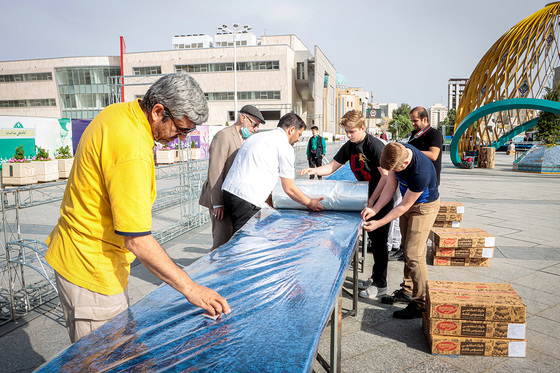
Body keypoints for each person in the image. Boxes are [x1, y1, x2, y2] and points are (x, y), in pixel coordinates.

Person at [45, 73, 231, 343]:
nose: (180, 138)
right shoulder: (131, 148)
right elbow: (137, 240)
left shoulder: (120, 113)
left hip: (83, 254)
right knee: (104, 359)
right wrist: (192, 289)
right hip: (91, 269)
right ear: (158, 111)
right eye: (181, 129)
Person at [300, 110, 394, 299]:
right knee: (371, 240)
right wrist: (314, 169)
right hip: (365, 197)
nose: (349, 135)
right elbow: (332, 166)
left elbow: (385, 177)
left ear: (362, 128)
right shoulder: (349, 146)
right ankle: (375, 278)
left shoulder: (374, 146)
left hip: (380, 198)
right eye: (346, 131)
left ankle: (380, 284)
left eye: (352, 131)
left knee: (379, 242)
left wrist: (373, 201)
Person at [362, 142, 440, 319]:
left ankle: (421, 304)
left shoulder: (421, 172)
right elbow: (390, 186)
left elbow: (404, 206)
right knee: (406, 247)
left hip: (423, 207)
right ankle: (407, 291)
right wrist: (374, 209)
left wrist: (379, 222)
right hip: (409, 202)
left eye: (395, 169)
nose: (393, 172)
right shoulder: (396, 151)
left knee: (415, 254)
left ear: (404, 164)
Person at [222, 112, 324, 233]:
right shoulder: (285, 146)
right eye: (299, 134)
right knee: (246, 244)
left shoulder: (257, 137)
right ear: (291, 130)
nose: (298, 139)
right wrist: (309, 202)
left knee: (247, 234)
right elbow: (289, 188)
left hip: (229, 192)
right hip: (247, 199)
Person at [199, 105, 265, 250]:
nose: (256, 129)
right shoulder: (224, 135)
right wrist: (217, 203)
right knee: (222, 240)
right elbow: (215, 171)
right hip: (221, 196)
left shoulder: (246, 139)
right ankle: (216, 269)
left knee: (234, 239)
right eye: (254, 124)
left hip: (236, 197)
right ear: (243, 118)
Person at [407, 107, 443, 185]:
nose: (413, 124)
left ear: (425, 119)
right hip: (414, 177)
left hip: (429, 180)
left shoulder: (435, 134)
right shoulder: (414, 134)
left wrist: (411, 152)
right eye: (412, 121)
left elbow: (433, 155)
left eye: (415, 121)